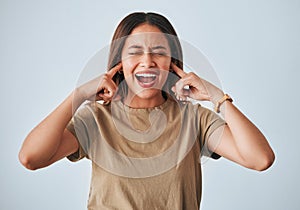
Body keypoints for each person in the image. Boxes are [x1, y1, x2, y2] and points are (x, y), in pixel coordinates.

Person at [19, 12, 275, 210]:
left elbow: (260, 159)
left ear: (172, 63)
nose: (147, 61)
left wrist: (217, 96)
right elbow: (31, 158)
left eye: (159, 52)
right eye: (135, 52)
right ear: (119, 63)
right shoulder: (96, 118)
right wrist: (78, 96)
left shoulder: (194, 119)